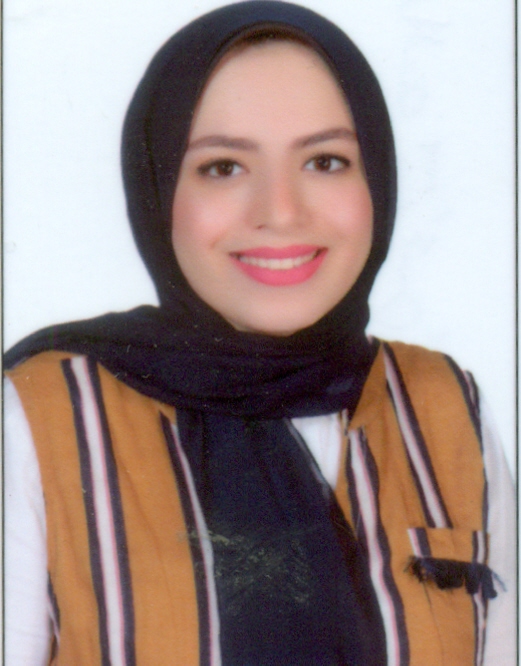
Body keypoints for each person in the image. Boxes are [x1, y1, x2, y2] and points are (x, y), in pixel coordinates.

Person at [4, 2, 515, 664]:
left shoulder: (446, 407)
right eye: (223, 167)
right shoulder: (40, 420)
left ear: (378, 179)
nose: (280, 211)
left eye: (325, 161)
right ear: (158, 188)